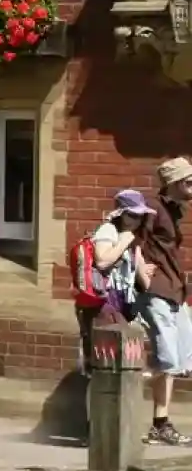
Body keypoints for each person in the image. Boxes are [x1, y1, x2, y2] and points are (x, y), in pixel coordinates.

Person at [139, 158, 192, 447]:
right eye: (189, 181)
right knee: (168, 359)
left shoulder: (174, 210)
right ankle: (157, 423)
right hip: (157, 291)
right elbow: (131, 238)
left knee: (182, 359)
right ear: (173, 183)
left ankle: (160, 421)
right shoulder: (152, 210)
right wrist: (140, 274)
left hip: (175, 292)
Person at [79, 189, 150, 370]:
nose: (137, 220)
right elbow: (102, 261)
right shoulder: (109, 230)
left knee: (122, 353)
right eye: (133, 215)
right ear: (121, 213)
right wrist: (123, 242)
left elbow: (142, 276)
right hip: (104, 299)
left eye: (141, 216)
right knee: (105, 356)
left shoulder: (133, 238)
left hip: (124, 302)